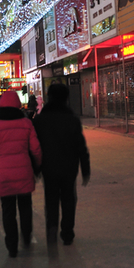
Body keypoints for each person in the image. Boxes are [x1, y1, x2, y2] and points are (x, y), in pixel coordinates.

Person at [0, 90, 42, 258]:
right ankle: (26, 237)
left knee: (8, 211)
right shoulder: (26, 124)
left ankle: (12, 247)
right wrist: (37, 166)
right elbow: (36, 149)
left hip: (4, 176)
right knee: (25, 207)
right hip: (24, 172)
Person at [32, 83, 90, 246]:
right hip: (69, 167)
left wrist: (35, 168)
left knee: (50, 200)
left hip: (48, 168)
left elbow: (34, 146)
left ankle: (52, 229)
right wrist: (85, 168)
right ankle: (67, 233)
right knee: (69, 199)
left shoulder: (41, 120)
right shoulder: (71, 118)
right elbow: (81, 145)